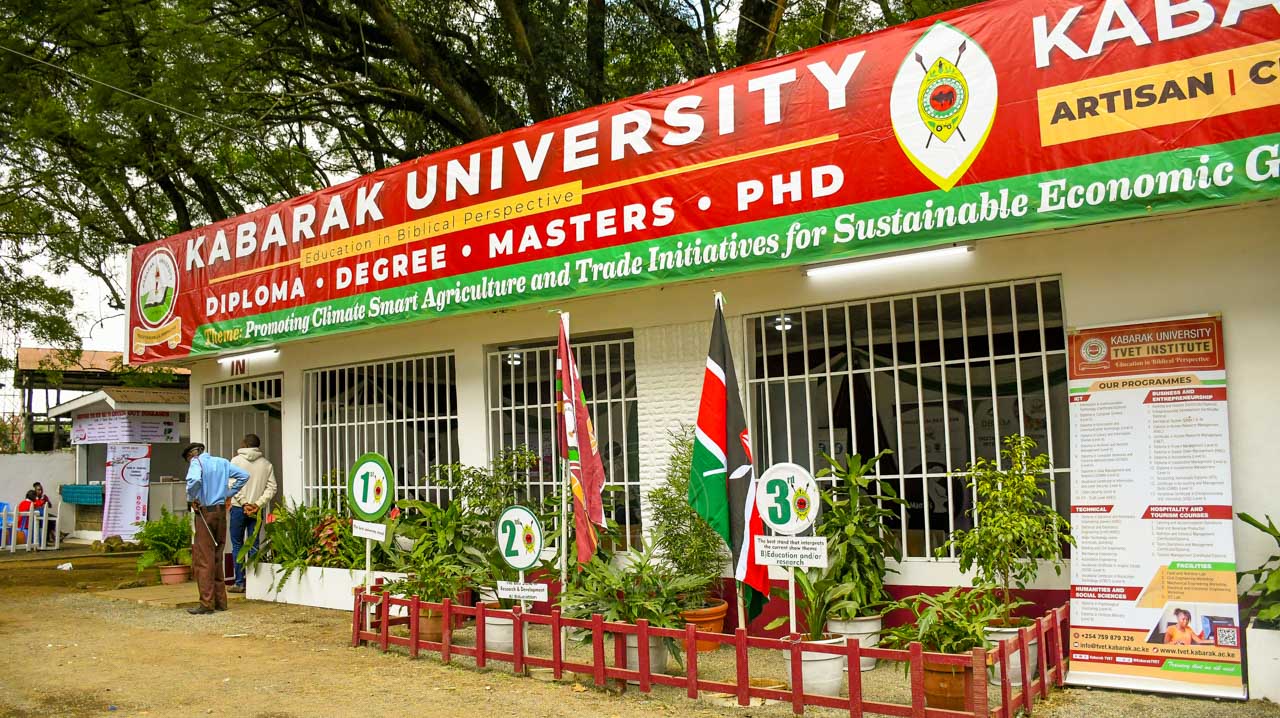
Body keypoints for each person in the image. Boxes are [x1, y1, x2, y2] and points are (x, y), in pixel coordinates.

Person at [183, 442, 249, 615]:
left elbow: (194, 480)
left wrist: (192, 497)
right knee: (217, 555)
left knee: (204, 558)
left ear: (191, 455)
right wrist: (228, 494)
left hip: (205, 512)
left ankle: (206, 603)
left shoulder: (197, 462)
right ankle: (221, 601)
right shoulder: (222, 462)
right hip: (221, 512)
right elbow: (244, 476)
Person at [228, 434, 276, 593]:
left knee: (237, 544)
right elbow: (272, 488)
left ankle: (239, 582)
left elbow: (231, 484)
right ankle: (254, 584)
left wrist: (244, 503)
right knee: (253, 544)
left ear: (244, 444)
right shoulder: (266, 464)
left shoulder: (235, 461)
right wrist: (257, 504)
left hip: (238, 508)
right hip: (256, 510)